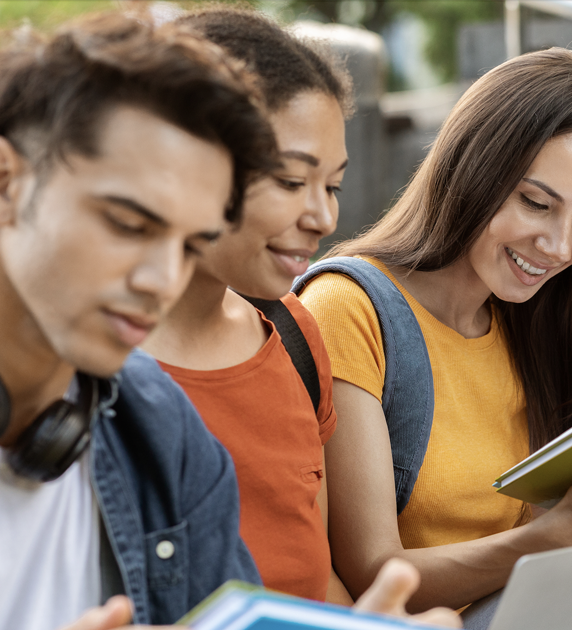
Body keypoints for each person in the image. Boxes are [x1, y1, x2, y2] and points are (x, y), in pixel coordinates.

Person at [0, 12, 452, 630]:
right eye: (129, 224)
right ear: (1, 180)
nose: (161, 280)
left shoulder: (160, 425)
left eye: (189, 245)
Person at [296, 48, 572, 621]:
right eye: (536, 203)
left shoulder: (530, 322)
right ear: (472, 169)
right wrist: (564, 532)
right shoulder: (348, 308)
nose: (559, 247)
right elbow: (374, 573)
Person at [142, 7, 440, 615]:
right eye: (288, 180)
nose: (322, 218)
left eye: (330, 186)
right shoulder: (88, 361)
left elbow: (313, 576)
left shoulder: (293, 331)